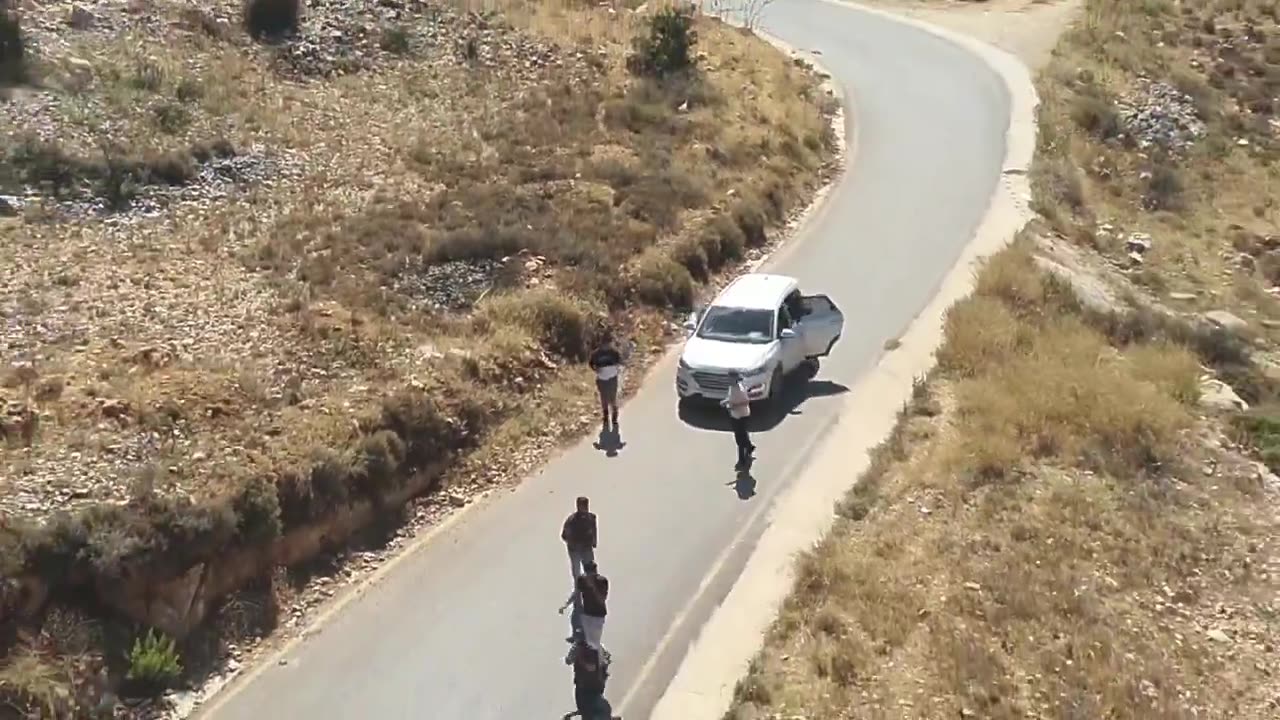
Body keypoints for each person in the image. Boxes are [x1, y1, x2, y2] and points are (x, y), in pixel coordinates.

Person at [567, 642, 612, 720]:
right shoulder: (597, 646)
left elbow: (568, 660)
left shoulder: (577, 647)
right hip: (591, 688)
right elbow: (606, 659)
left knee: (595, 710)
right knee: (603, 709)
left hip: (586, 688)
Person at [588, 335, 623, 430]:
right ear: (602, 344)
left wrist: (616, 368)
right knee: (603, 397)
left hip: (612, 377)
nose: (607, 346)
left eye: (608, 344)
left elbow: (619, 361)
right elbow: (591, 364)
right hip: (601, 378)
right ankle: (605, 414)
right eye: (605, 344)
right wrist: (596, 370)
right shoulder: (596, 354)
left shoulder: (614, 352)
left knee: (612, 396)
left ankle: (614, 414)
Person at [722, 369, 755, 468]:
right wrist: (726, 401)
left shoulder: (739, 389)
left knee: (740, 439)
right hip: (735, 415)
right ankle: (749, 447)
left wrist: (733, 406)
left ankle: (742, 460)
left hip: (741, 416)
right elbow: (732, 398)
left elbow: (745, 401)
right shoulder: (732, 388)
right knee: (742, 436)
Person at [561, 496, 598, 584]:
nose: (585, 508)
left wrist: (594, 541)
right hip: (574, 549)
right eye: (582, 506)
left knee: (590, 568)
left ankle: (593, 585)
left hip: (586, 547)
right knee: (576, 570)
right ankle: (578, 586)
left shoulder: (591, 518)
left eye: (586, 505)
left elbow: (594, 529)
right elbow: (564, 535)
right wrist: (572, 544)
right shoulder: (571, 520)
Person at [577, 561, 609, 653]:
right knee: (589, 641)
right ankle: (600, 655)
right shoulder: (582, 580)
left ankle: (601, 659)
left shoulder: (602, 581)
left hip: (599, 614)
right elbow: (578, 594)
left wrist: (592, 587)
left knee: (595, 641)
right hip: (586, 613)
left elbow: (602, 598)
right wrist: (567, 604)